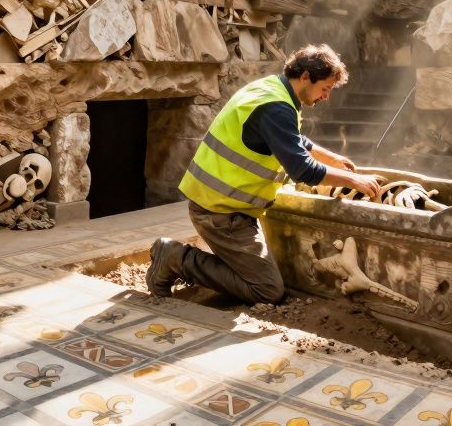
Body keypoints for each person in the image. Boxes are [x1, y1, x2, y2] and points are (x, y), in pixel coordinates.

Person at [145, 44, 381, 304]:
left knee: (258, 272)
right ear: (305, 77)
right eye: (325, 88)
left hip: (222, 204)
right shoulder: (277, 108)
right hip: (221, 213)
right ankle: (175, 258)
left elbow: (289, 139)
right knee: (267, 290)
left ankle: (204, 260)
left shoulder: (272, 89)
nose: (326, 97)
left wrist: (330, 157)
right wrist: (353, 180)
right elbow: (302, 169)